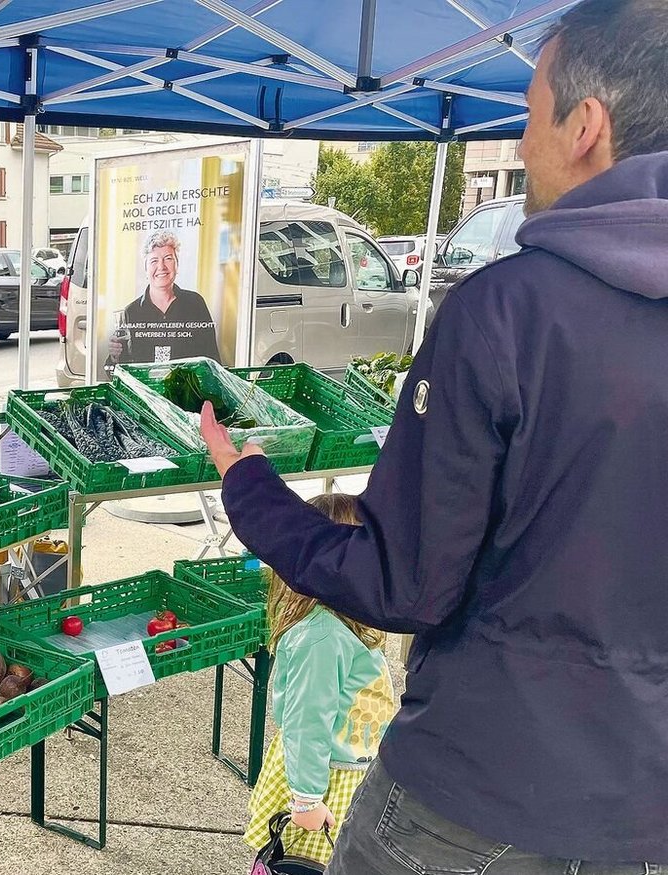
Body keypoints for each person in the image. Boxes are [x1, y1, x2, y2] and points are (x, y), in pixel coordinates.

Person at [201, 1, 668, 869]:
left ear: (586, 128)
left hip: (470, 797)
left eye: (529, 117)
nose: (522, 147)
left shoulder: (506, 313)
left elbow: (400, 581)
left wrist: (249, 487)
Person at [242, 493, 396, 870]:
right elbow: (307, 722)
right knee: (303, 863)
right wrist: (307, 801)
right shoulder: (322, 636)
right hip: (323, 777)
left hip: (345, 766)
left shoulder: (346, 622)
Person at [107, 230, 220, 365]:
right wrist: (115, 357)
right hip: (146, 386)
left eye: (168, 258)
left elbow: (212, 360)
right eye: (154, 261)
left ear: (177, 266)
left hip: (188, 386)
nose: (161, 266)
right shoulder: (130, 312)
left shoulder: (195, 304)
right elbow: (119, 371)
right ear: (146, 269)